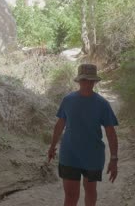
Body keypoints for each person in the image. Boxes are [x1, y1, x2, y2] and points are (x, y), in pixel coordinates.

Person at [47, 63, 119, 206]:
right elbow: (60, 125)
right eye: (85, 80)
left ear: (95, 81)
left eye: (91, 80)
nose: (88, 83)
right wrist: (52, 146)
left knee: (90, 192)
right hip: (69, 155)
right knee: (71, 195)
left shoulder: (102, 104)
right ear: (79, 81)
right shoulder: (68, 100)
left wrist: (114, 159)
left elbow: (111, 133)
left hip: (93, 156)